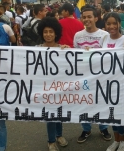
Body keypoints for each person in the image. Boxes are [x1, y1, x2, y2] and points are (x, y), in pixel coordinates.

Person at [74, 7, 112, 143]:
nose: (86, 19)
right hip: (83, 76)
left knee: (101, 102)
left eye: (89, 17)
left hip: (100, 77)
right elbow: (75, 56)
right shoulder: (78, 35)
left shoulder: (104, 35)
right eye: (84, 17)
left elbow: (109, 56)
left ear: (96, 18)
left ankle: (103, 127)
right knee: (84, 102)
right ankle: (86, 129)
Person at [101, 12, 124, 151]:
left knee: (119, 113)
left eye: (114, 23)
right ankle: (116, 140)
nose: (112, 26)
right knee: (110, 113)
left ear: (119, 23)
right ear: (105, 25)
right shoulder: (104, 38)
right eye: (109, 23)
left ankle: (123, 140)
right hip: (106, 82)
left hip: (120, 84)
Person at [36, 17, 69, 151]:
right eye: (45, 32)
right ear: (41, 33)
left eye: (51, 31)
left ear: (56, 33)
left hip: (60, 87)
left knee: (59, 113)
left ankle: (59, 135)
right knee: (50, 114)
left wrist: (68, 51)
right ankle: (51, 141)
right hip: (45, 88)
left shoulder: (63, 49)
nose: (48, 34)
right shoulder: (36, 49)